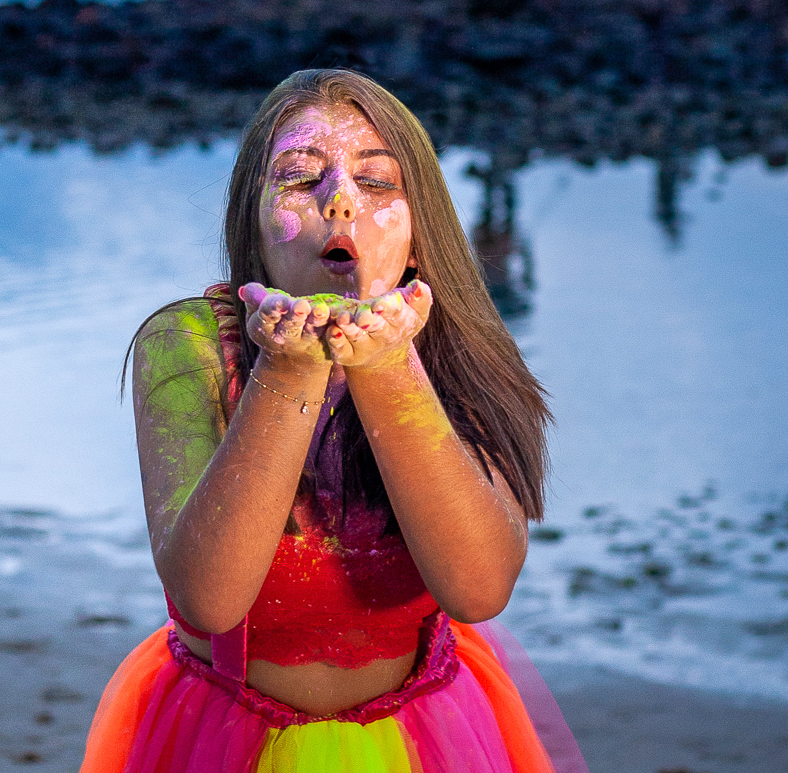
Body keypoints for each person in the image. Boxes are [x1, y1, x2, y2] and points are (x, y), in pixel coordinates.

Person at [80, 69, 590, 773]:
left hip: (422, 730)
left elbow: (478, 588)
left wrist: (386, 364)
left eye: (378, 183)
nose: (342, 200)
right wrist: (287, 368)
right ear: (253, 227)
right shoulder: (189, 344)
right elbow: (209, 598)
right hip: (225, 730)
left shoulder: (450, 348)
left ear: (419, 237)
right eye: (298, 178)